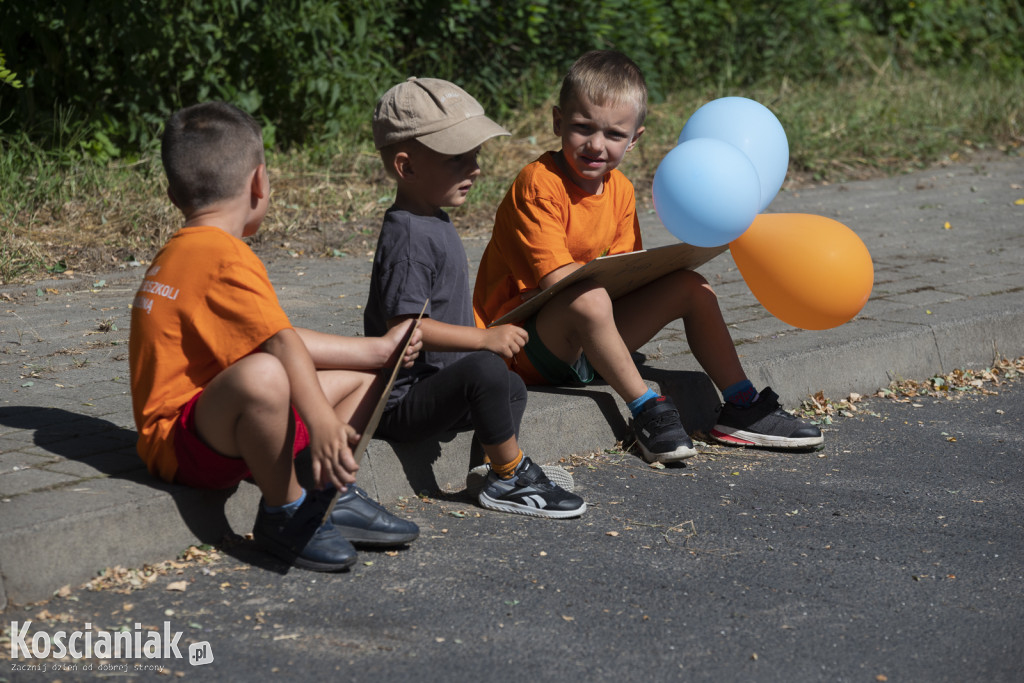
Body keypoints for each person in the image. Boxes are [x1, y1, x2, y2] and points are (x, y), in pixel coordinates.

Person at [472, 51, 822, 463]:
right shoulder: (538, 184)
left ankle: (741, 405)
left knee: (692, 287)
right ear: (557, 122)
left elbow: (624, 274)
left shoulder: (619, 189)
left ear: (634, 139)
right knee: (588, 296)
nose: (596, 146)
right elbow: (557, 283)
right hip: (523, 347)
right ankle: (646, 408)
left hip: (588, 335)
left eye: (614, 135)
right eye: (582, 128)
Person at [129, 102, 422, 573]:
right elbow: (280, 349)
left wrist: (379, 350)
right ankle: (285, 511)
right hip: (181, 447)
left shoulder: (187, 250)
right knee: (266, 373)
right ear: (259, 182)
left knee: (365, 377)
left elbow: (274, 332)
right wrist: (323, 424)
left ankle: (326, 492)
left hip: (215, 428)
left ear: (172, 192)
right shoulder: (225, 258)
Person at [365, 77, 585, 519]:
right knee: (487, 367)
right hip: (402, 406)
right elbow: (407, 331)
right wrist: (484, 340)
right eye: (456, 159)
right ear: (407, 167)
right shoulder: (408, 237)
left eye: (475, 155)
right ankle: (509, 473)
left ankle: (491, 469)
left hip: (440, 391)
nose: (476, 167)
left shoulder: (432, 218)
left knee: (511, 386)